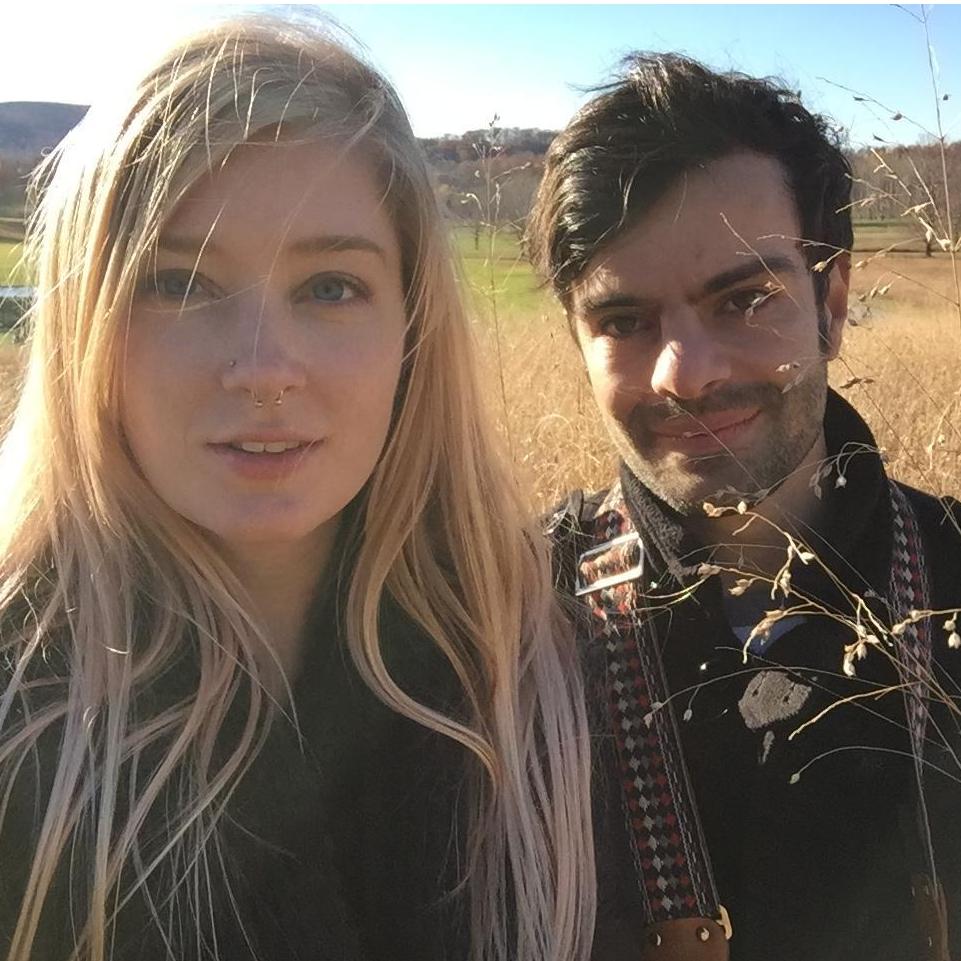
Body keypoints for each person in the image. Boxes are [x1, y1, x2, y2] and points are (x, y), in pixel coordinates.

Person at [0, 13, 597, 961]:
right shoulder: (22, 713)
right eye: (180, 283)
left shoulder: (559, 674)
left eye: (329, 288)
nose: (263, 368)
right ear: (85, 326)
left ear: (411, 326)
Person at [526, 53, 961, 961]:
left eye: (745, 297)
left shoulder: (952, 578)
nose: (686, 371)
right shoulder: (508, 623)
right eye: (623, 321)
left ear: (831, 304)